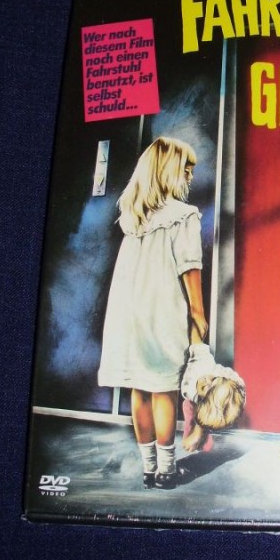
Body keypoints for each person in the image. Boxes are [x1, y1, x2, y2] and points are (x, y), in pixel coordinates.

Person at [98, 136, 208, 490]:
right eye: (186, 169)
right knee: (164, 390)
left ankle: (148, 469)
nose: (190, 176)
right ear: (170, 170)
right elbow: (189, 266)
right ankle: (167, 471)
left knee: (140, 390)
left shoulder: (134, 217)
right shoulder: (184, 215)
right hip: (162, 311)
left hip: (128, 313)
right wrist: (198, 312)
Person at [179, 342, 246, 452]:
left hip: (200, 400)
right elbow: (198, 343)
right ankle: (200, 431)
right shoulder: (206, 366)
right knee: (189, 405)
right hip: (221, 384)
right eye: (213, 380)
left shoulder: (191, 392)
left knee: (189, 405)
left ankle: (202, 431)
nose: (205, 381)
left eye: (204, 388)